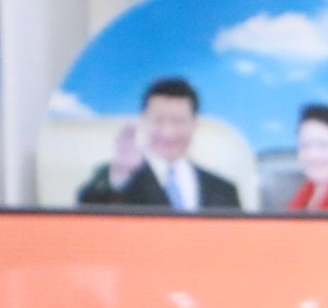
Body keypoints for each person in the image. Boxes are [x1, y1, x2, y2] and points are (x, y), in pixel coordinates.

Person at [77, 77, 242, 210]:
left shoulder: (224, 190)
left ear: (194, 123)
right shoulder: (118, 178)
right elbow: (85, 216)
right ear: (143, 120)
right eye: (158, 120)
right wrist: (120, 175)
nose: (168, 132)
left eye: (178, 121)